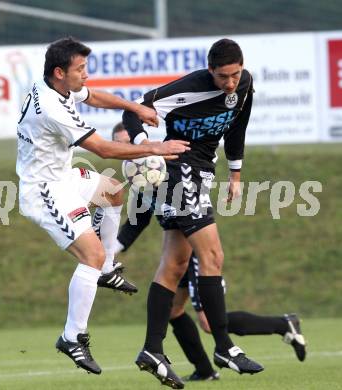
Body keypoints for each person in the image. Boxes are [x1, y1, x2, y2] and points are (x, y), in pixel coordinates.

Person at [15, 37, 189, 376]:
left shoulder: (54, 85)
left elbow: (92, 96)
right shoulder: (52, 108)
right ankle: (72, 336)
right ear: (59, 72)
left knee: (112, 192)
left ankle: (107, 267)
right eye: (81, 69)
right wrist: (154, 148)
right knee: (89, 256)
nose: (87, 75)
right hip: (43, 191)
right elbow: (104, 150)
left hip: (62, 176)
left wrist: (136, 109)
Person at [110, 123, 306, 382]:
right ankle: (204, 369)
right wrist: (104, 254)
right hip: (176, 253)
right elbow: (135, 224)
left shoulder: (167, 169)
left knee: (207, 321)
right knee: (173, 312)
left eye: (131, 142)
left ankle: (281, 325)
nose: (129, 150)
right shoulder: (141, 182)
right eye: (122, 145)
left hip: (194, 251)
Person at [122, 38, 262, 388]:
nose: (229, 82)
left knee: (175, 264)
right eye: (221, 76)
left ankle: (152, 349)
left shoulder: (244, 85)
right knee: (212, 254)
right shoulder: (188, 88)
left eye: (235, 74)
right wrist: (149, 147)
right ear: (209, 70)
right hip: (179, 172)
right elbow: (132, 110)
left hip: (199, 172)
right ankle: (225, 347)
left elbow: (237, 126)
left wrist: (235, 173)